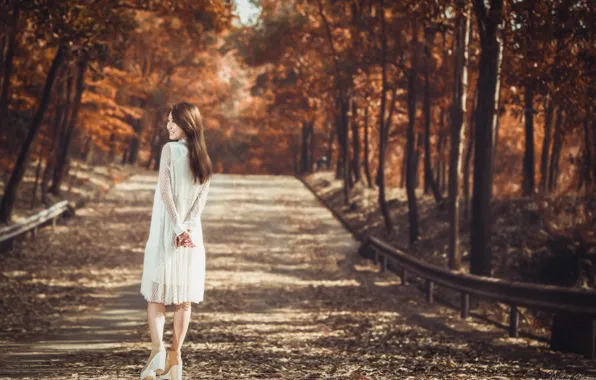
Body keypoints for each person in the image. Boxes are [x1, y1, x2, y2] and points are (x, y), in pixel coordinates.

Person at [139, 101, 212, 380]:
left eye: (173, 121)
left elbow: (165, 193)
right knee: (183, 299)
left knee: (157, 295)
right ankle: (175, 360)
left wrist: (178, 228)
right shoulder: (204, 158)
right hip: (191, 237)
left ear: (187, 124)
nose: (168, 126)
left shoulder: (169, 151)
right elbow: (199, 203)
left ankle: (157, 352)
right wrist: (189, 230)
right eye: (168, 121)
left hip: (167, 232)